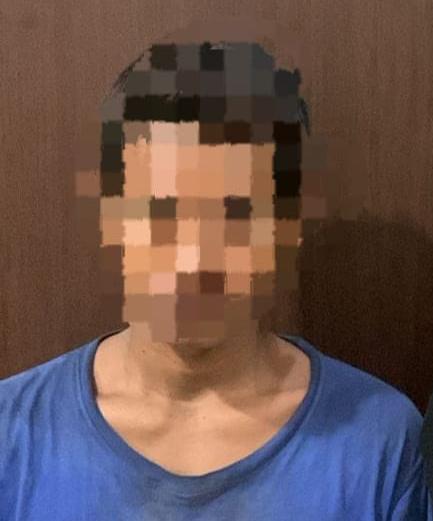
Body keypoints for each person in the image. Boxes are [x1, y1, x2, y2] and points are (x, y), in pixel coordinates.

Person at [1, 40, 432, 521]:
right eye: (162, 210)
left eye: (235, 215)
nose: (193, 258)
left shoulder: (379, 443)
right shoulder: (12, 435)